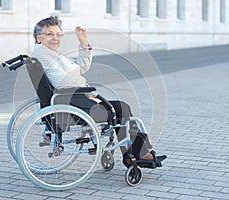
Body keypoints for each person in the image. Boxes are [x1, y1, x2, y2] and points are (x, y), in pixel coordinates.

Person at [31, 16, 165, 164]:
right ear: (39, 38)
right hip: (72, 102)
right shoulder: (43, 55)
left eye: (58, 34)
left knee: (122, 108)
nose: (55, 38)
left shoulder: (50, 54)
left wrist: (83, 43)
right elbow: (64, 81)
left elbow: (80, 68)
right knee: (121, 110)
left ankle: (136, 154)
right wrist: (86, 91)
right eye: (50, 34)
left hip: (73, 99)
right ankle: (138, 155)